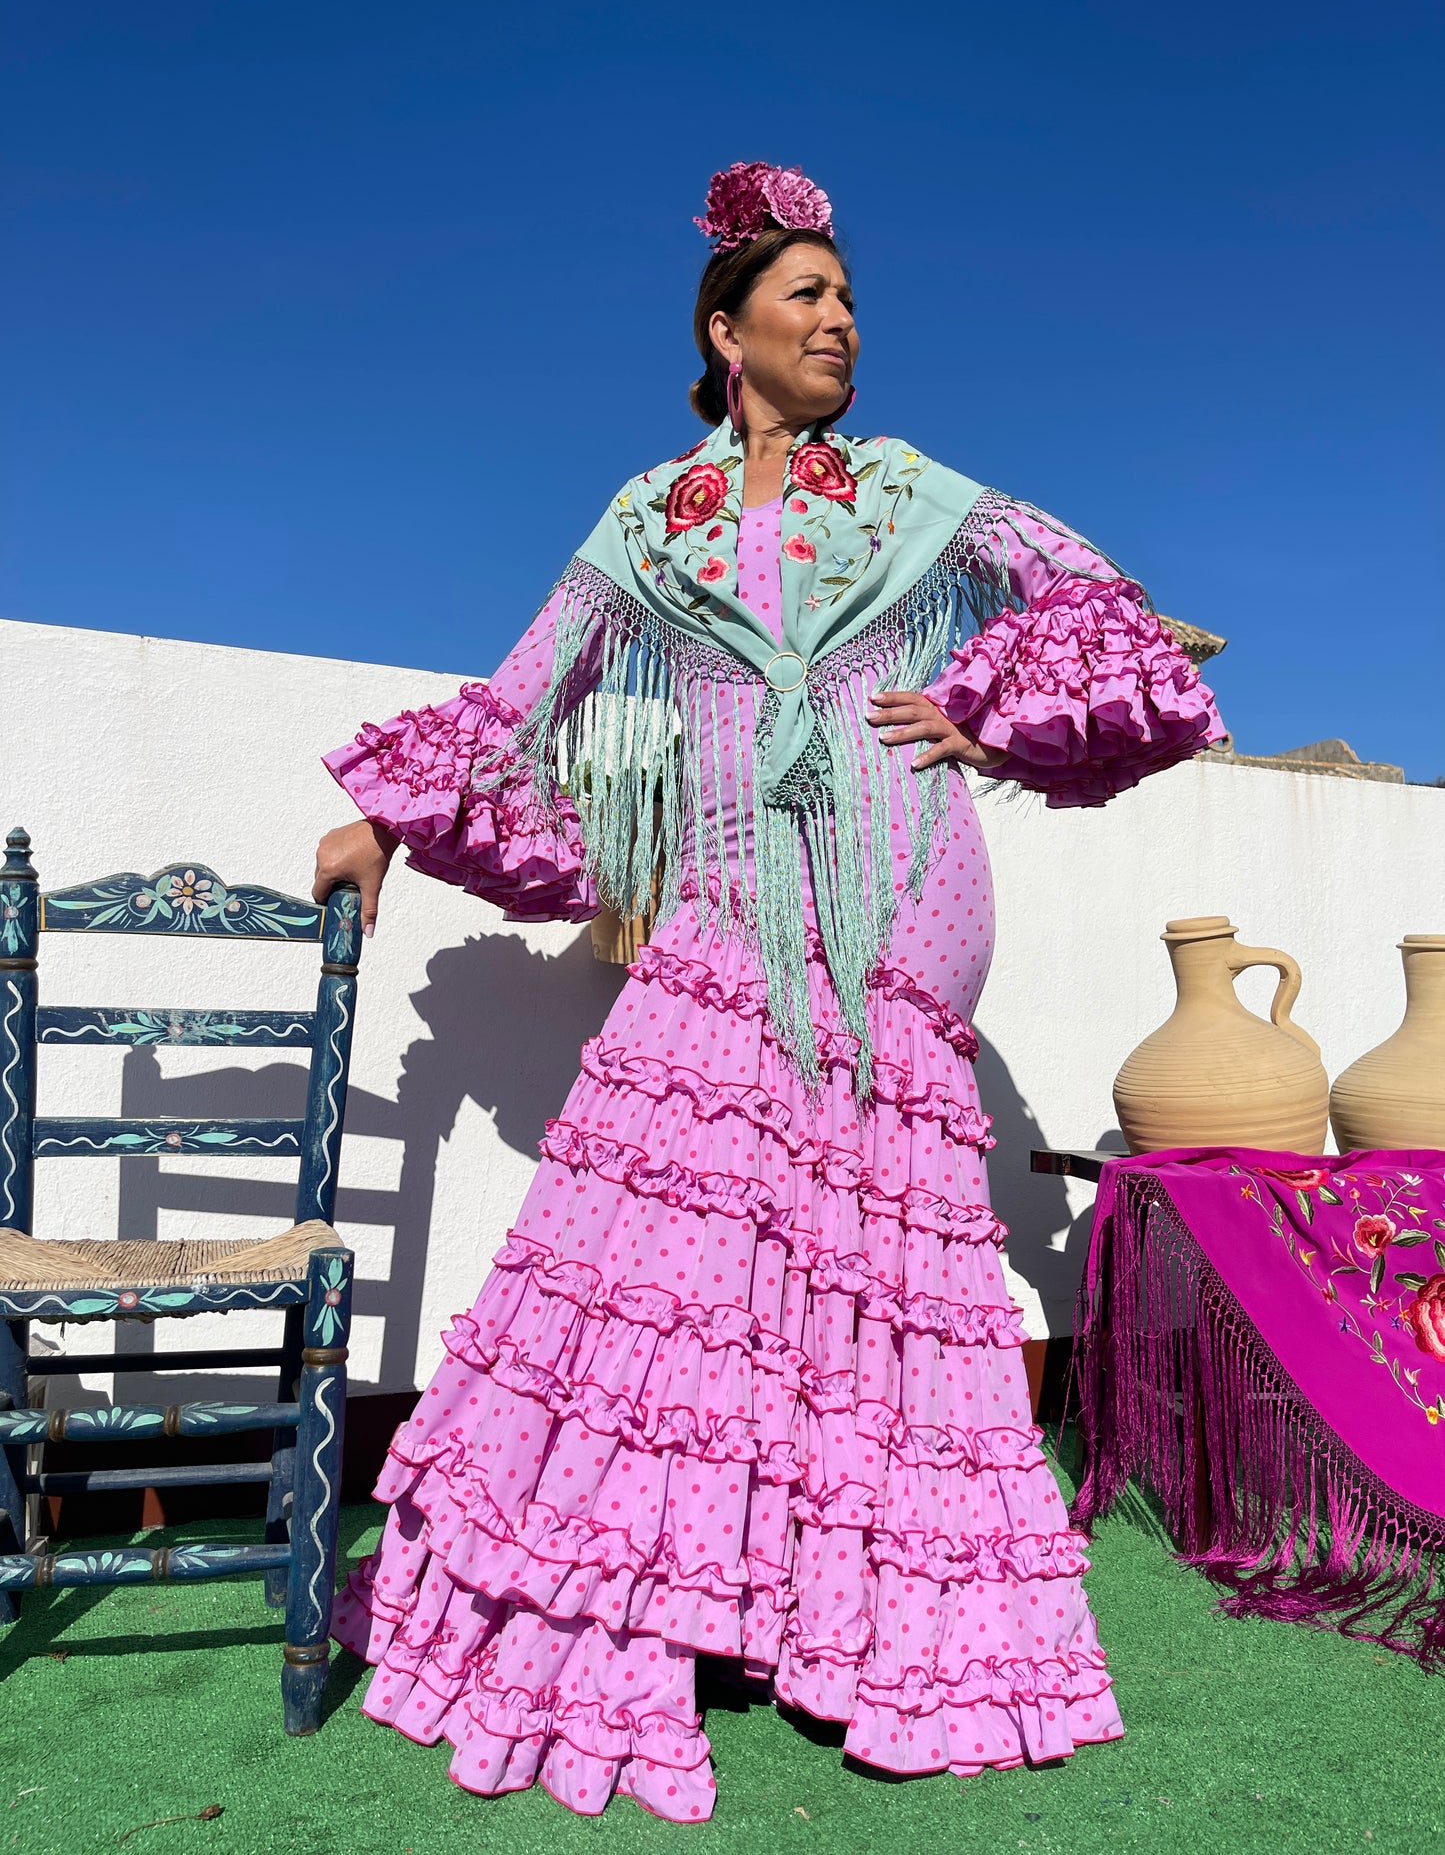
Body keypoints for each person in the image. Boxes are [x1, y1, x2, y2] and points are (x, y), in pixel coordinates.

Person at [313, 161, 1223, 1822]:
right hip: (730, 884)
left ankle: (858, 1616)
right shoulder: (646, 516)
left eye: (849, 300)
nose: (841, 321)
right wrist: (382, 815)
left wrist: (983, 717)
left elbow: (1110, 604)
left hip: (907, 889)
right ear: (724, 332)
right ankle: (698, 1590)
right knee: (684, 1240)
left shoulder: (903, 491)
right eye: (805, 297)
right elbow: (534, 680)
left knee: (860, 1252)